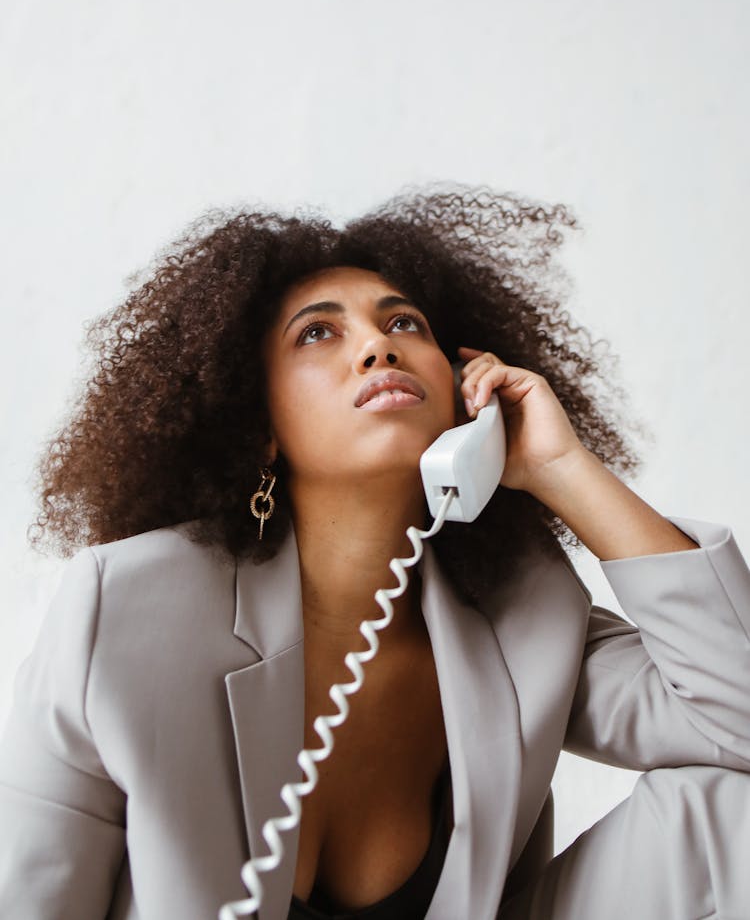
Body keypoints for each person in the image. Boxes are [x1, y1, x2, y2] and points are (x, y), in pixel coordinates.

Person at [0, 185, 748, 920]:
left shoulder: (527, 613)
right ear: (256, 422)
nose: (376, 344)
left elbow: (735, 721)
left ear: (461, 395)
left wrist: (562, 470)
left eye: (405, 323)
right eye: (317, 332)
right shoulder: (124, 611)